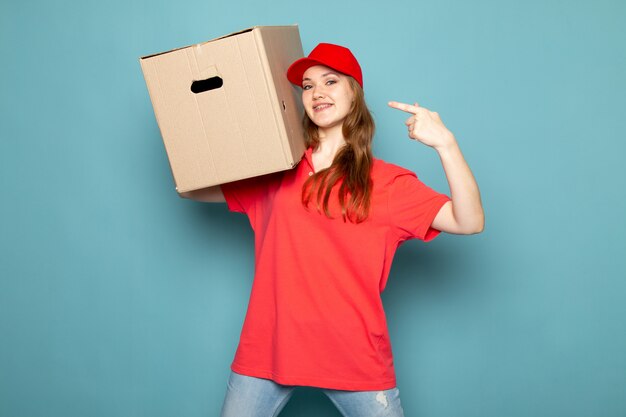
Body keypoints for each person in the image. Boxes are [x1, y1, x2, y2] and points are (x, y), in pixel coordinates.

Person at [180, 43, 484, 417]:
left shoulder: (387, 183)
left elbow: (468, 221)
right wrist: (223, 125)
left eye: (330, 81)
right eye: (307, 86)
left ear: (353, 92)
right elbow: (192, 186)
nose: (317, 92)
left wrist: (446, 145)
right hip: (268, 350)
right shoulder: (277, 171)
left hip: (354, 357)